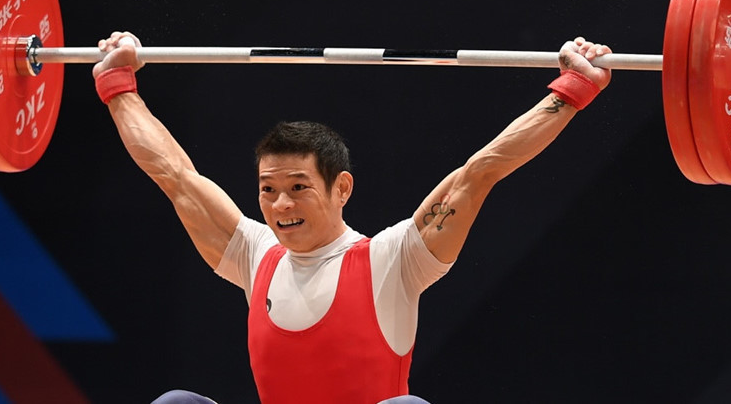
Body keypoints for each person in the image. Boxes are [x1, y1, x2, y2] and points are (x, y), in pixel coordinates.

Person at [92, 32, 612, 404]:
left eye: (298, 188)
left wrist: (572, 90)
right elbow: (174, 174)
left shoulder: (392, 260)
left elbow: (480, 172)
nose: (280, 205)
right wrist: (118, 84)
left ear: (341, 187)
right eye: (268, 190)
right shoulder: (255, 253)